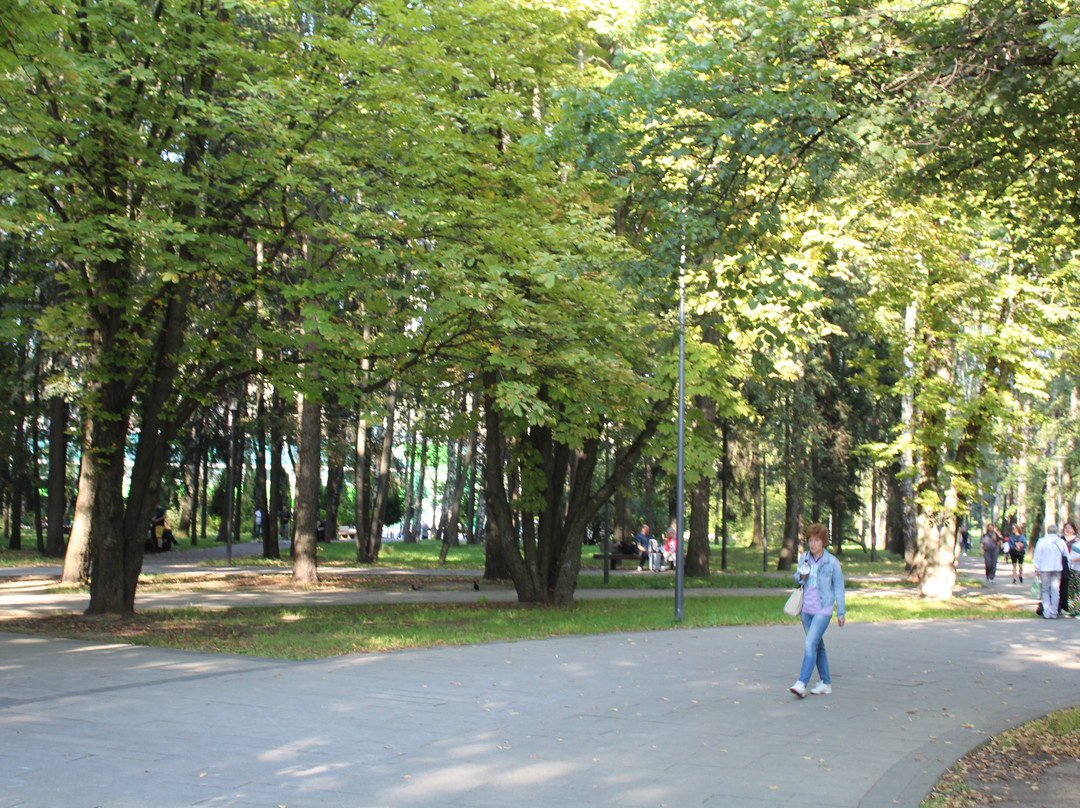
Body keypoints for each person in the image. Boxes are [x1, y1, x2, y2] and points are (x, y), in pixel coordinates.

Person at [789, 523, 846, 698]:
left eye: (816, 541)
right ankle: (825, 683)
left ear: (823, 542)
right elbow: (797, 578)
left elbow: (839, 587)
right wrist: (801, 575)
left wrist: (841, 612)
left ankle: (801, 683)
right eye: (811, 541)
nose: (813, 544)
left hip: (824, 608)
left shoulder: (832, 562)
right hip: (806, 609)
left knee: (810, 644)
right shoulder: (805, 557)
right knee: (817, 645)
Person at [1032, 524, 1069, 619]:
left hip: (1045, 569)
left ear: (1047, 531)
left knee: (1045, 590)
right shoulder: (1061, 542)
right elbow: (1066, 556)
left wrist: (1036, 568)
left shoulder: (1042, 541)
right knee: (1055, 590)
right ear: (1056, 532)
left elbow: (1037, 555)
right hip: (1057, 568)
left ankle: (1047, 612)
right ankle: (1054, 611)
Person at [1064, 522, 1080, 617]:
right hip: (1072, 568)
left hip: (1078, 569)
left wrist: (1072, 559)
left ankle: (1078, 610)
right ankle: (1072, 609)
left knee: (1078, 591)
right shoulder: (1076, 543)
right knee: (1072, 590)